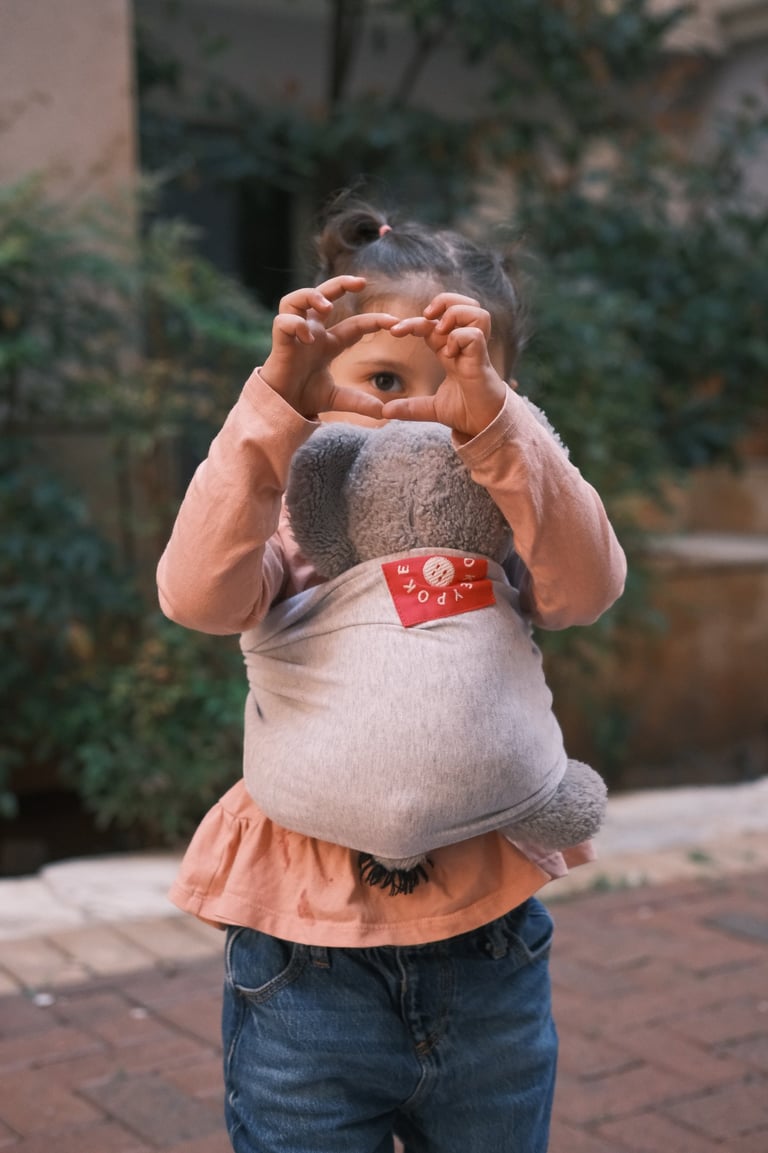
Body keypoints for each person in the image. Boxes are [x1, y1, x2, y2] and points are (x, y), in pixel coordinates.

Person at [157, 197, 627, 1153]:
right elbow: (196, 594)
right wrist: (269, 411)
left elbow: (587, 587)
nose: (414, 413)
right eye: (379, 376)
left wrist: (504, 437)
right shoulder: (293, 533)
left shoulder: (507, 518)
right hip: (304, 967)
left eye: (452, 382)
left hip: (488, 953)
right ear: (320, 392)